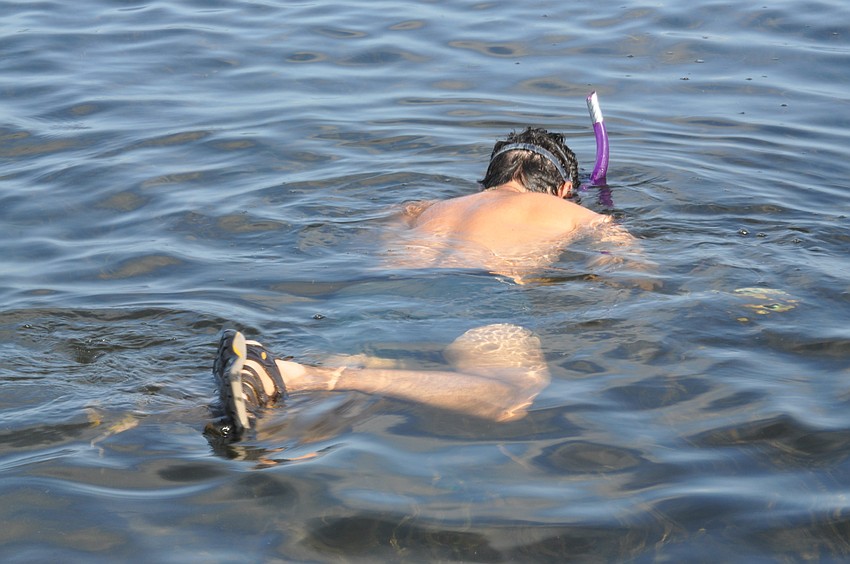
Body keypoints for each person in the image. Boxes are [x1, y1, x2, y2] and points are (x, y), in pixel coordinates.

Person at [207, 127, 633, 440]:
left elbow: (362, 248)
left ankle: (157, 413)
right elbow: (632, 271)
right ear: (562, 188)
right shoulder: (576, 214)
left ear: (486, 180)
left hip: (377, 292)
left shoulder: (418, 208)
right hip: (475, 292)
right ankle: (318, 378)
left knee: (294, 416)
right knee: (512, 394)